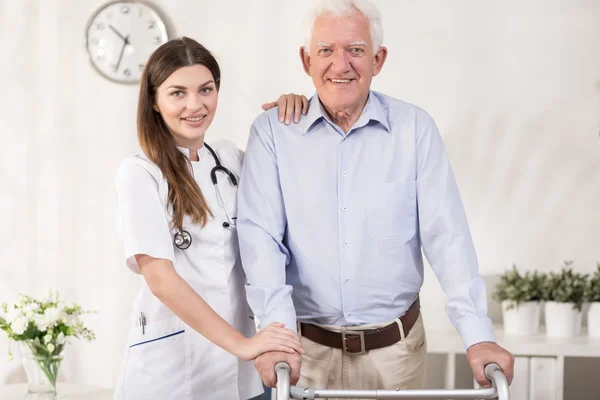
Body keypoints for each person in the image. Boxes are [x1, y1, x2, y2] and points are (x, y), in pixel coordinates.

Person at [237, 0, 515, 394]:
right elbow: (261, 240)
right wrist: (277, 337)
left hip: (396, 356)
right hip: (304, 355)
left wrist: (478, 335)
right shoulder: (274, 132)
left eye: (355, 50)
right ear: (306, 60)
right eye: (326, 51)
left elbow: (446, 235)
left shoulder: (414, 129)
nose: (340, 64)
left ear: (378, 59)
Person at [113, 36, 308, 400]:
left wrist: (291, 117)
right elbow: (160, 278)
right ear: (154, 102)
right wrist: (243, 345)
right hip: (172, 376)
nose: (195, 105)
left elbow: (294, 179)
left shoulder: (232, 159)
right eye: (177, 93)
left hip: (240, 377)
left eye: (206, 89)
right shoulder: (140, 174)